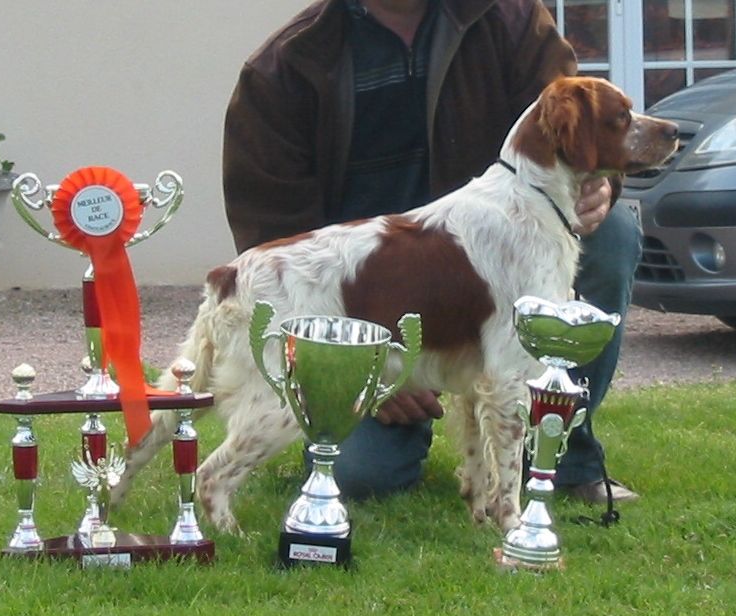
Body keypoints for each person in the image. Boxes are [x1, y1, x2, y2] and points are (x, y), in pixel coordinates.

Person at [221, 0, 639, 504]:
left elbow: (584, 128)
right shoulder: (286, 65)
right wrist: (361, 362)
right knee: (362, 478)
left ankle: (562, 459)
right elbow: (275, 233)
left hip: (492, 270)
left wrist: (599, 190)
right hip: (367, 315)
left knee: (611, 235)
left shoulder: (510, 19)